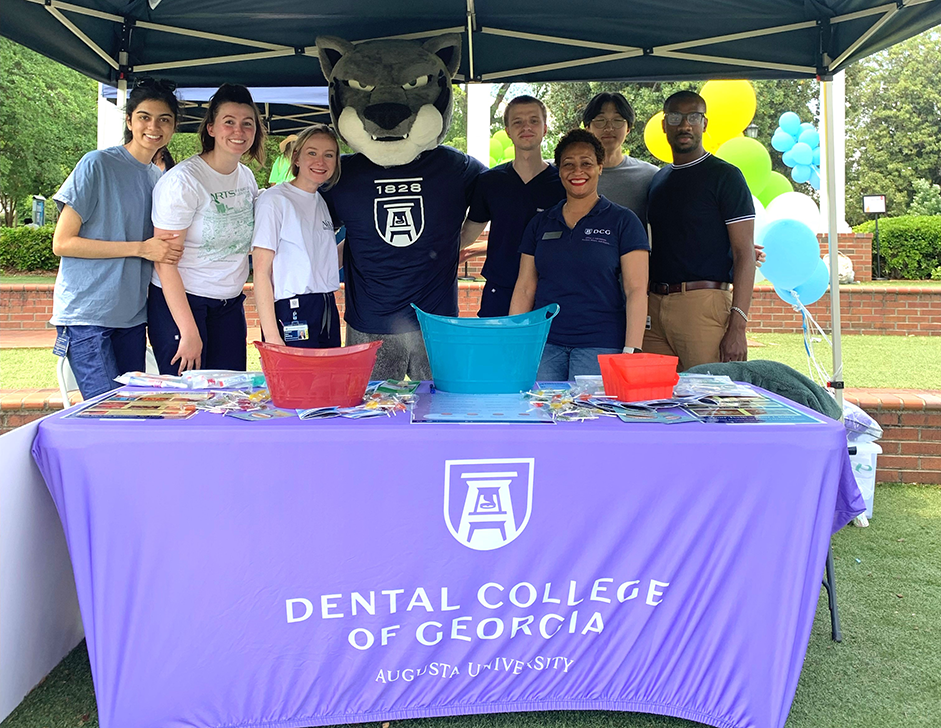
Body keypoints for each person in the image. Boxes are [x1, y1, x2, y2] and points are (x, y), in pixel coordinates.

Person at [50, 78, 182, 399]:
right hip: (87, 317)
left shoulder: (160, 178)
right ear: (129, 121)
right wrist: (141, 248)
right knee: (107, 414)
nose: (154, 126)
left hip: (133, 319)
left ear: (174, 127)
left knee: (131, 411)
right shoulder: (97, 164)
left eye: (164, 119)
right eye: (144, 117)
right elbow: (63, 242)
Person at [509, 129, 649, 381]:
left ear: (600, 167)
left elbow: (636, 289)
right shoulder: (541, 222)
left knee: (589, 417)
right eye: (568, 165)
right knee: (540, 414)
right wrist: (515, 341)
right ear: (559, 170)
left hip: (601, 344)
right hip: (545, 344)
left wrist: (632, 350)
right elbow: (525, 288)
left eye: (586, 163)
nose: (577, 171)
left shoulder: (623, 221)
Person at [149, 83, 264, 374]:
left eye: (246, 124)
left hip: (229, 306)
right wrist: (188, 331)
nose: (238, 131)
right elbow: (164, 261)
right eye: (229, 122)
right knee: (186, 402)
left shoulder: (246, 177)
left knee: (228, 399)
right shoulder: (183, 181)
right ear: (211, 128)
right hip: (183, 303)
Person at [644, 90, 756, 371]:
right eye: (675, 117)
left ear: (704, 124)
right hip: (654, 309)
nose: (684, 125)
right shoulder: (658, 180)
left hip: (703, 306)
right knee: (657, 404)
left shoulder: (726, 176)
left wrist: (738, 326)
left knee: (711, 402)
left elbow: (745, 253)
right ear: (664, 125)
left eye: (693, 116)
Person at [460, 95, 565, 318]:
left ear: (545, 128)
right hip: (500, 290)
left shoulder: (563, 184)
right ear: (507, 130)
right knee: (496, 353)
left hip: (549, 290)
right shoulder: (490, 181)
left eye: (533, 121)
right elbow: (468, 234)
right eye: (517, 121)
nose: (526, 126)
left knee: (545, 354)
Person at [251, 124, 342, 348]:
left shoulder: (320, 201)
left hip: (327, 306)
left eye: (328, 155)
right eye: (312, 153)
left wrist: (364, 235)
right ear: (296, 157)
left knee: (327, 381)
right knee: (297, 382)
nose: (320, 162)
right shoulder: (275, 200)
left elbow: (324, 261)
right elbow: (261, 272)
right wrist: (272, 336)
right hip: (292, 309)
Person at [583, 92, 659, 229]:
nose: (609, 128)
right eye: (600, 120)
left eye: (617, 120)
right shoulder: (569, 174)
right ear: (587, 127)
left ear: (628, 128)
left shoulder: (649, 176)